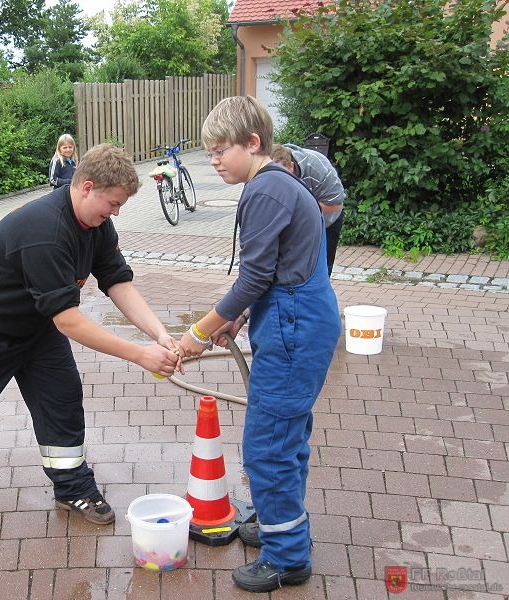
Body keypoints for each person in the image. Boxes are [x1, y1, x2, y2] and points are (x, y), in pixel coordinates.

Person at [0, 144, 181, 527]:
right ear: (87, 187)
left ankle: (72, 487)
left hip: (34, 326)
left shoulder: (96, 226)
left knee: (61, 396)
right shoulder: (47, 229)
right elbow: (70, 322)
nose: (116, 213)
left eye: (120, 206)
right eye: (112, 203)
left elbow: (117, 282)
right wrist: (140, 355)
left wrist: (159, 333)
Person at [177, 96, 339, 593]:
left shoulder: (265, 191)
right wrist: (240, 319)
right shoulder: (281, 184)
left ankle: (287, 558)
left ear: (253, 143)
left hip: (294, 327)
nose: (215, 160)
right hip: (300, 318)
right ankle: (277, 523)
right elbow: (270, 274)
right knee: (286, 438)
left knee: (267, 447)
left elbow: (252, 279)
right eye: (209, 153)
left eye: (221, 149)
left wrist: (198, 333)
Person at [271, 143, 345, 276]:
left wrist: (301, 207)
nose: (278, 181)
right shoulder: (263, 172)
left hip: (327, 219)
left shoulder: (318, 169)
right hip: (293, 222)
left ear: (291, 167)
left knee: (321, 268)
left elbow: (336, 206)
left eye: (282, 174)